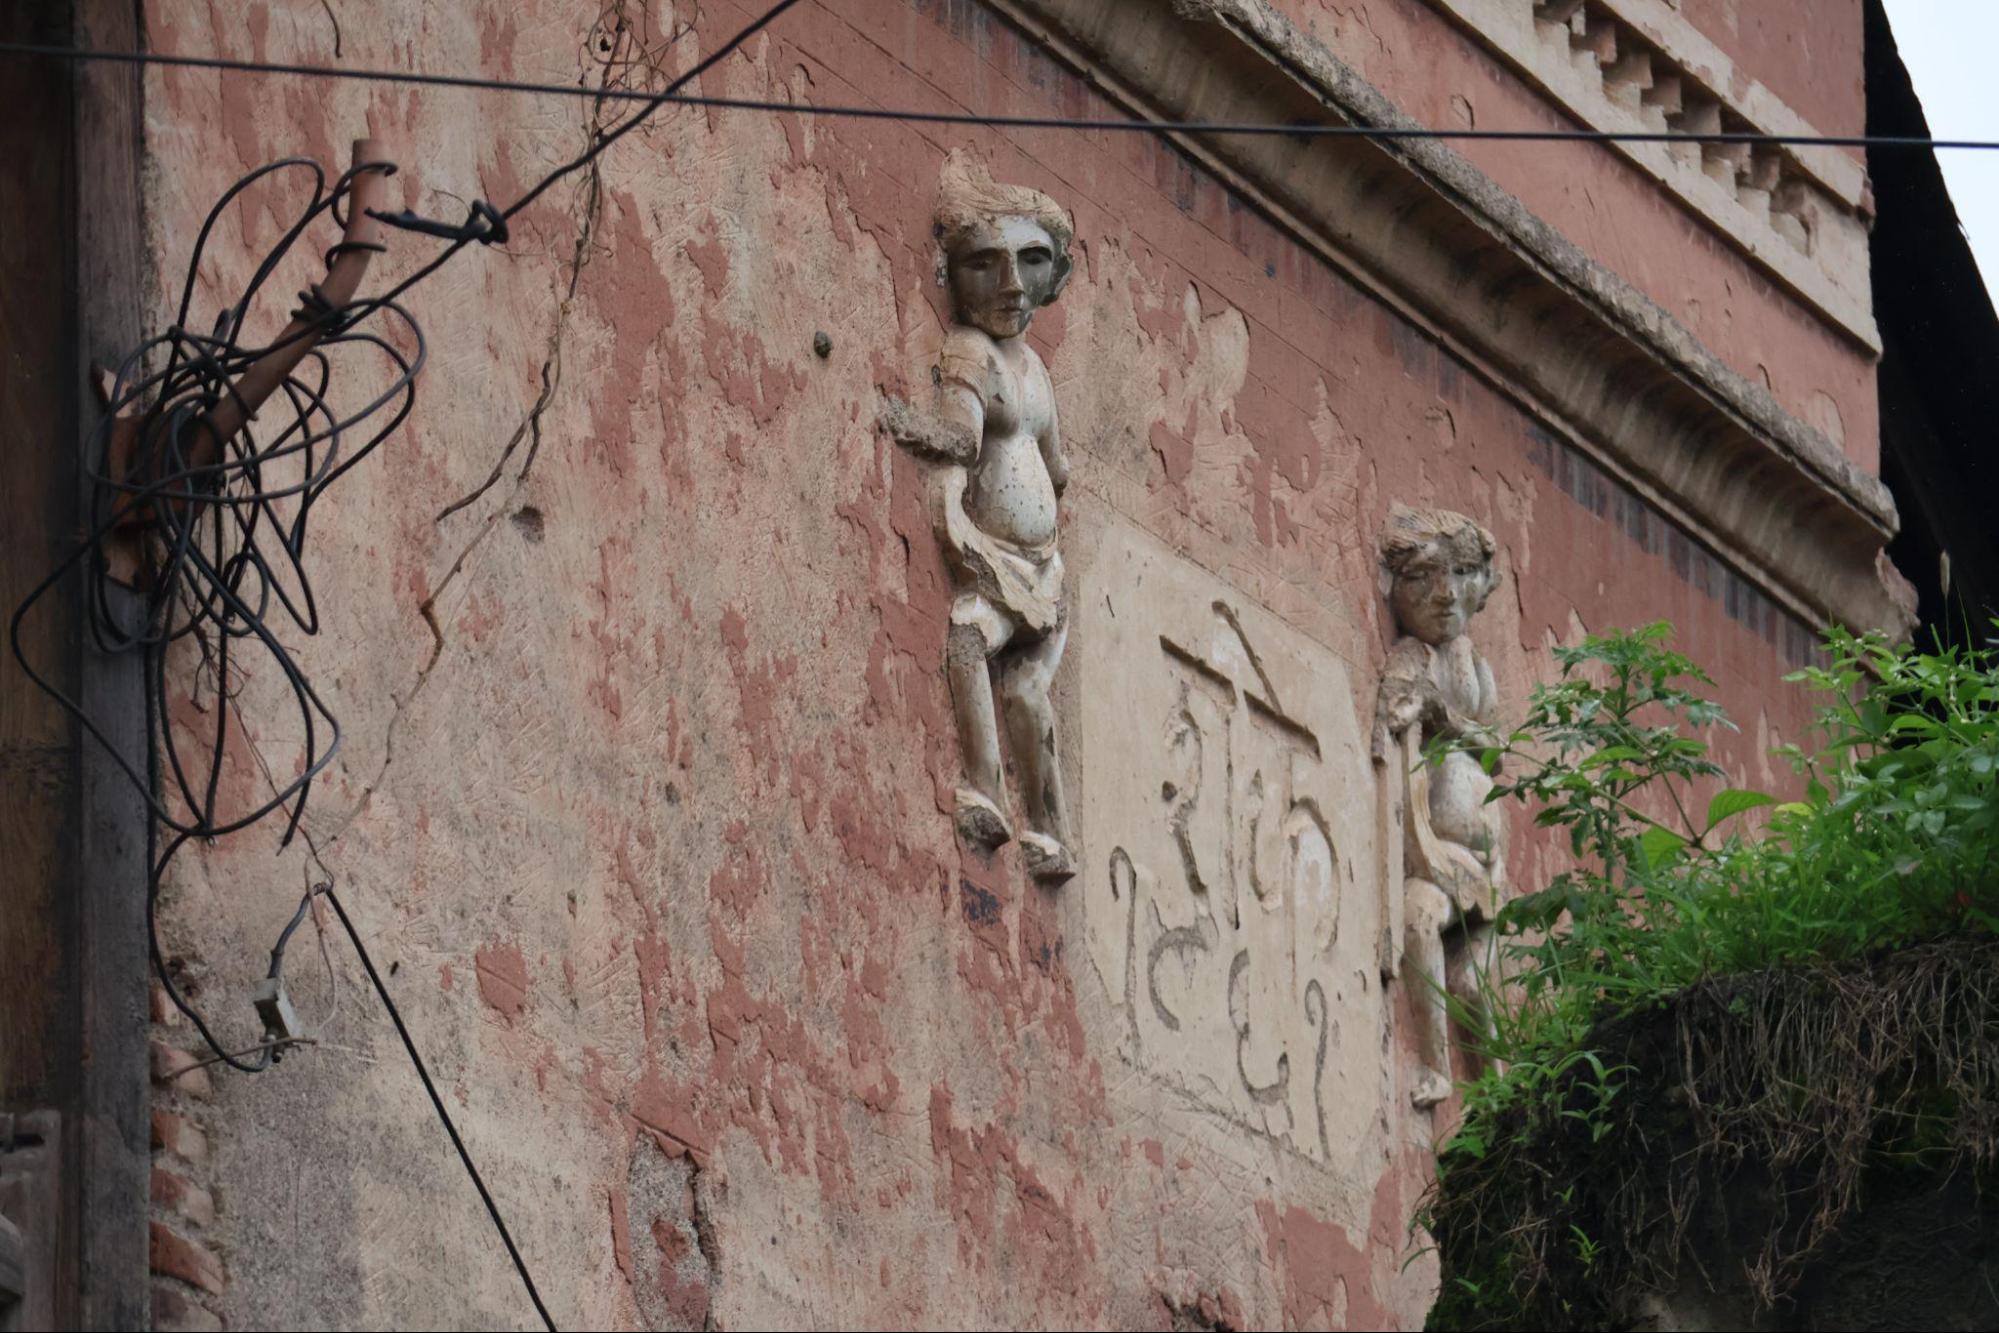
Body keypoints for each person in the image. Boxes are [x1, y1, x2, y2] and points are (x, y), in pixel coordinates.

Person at [889, 155, 1078, 883]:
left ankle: (1050, 830)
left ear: (1052, 274)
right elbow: (964, 440)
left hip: (1045, 564)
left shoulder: (1035, 370)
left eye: (1030, 263)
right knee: (969, 636)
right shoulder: (970, 354)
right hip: (997, 559)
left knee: (1030, 692)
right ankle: (983, 788)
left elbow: (1055, 465)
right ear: (953, 273)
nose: (1010, 285)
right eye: (985, 265)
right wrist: (911, 427)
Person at [1373, 504, 1505, 1106]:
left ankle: (1498, 1097)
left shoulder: (1472, 665)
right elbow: (1397, 731)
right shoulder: (1411, 659)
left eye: (1458, 576)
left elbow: (1494, 748)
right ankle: (1434, 1064)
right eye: (1423, 578)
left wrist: (1444, 717)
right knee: (1418, 919)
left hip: (1487, 863)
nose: (1444, 595)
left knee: (1476, 986)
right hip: (1435, 852)